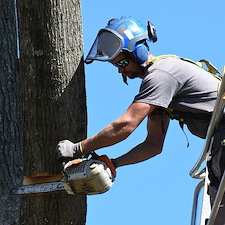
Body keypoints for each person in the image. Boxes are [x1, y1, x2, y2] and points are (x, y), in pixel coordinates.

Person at [56, 16, 225, 224]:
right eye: (116, 65)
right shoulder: (161, 91)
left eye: (123, 62)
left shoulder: (161, 75)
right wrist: (113, 164)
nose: (120, 70)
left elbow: (126, 124)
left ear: (140, 51)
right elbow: (153, 144)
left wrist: (78, 149)